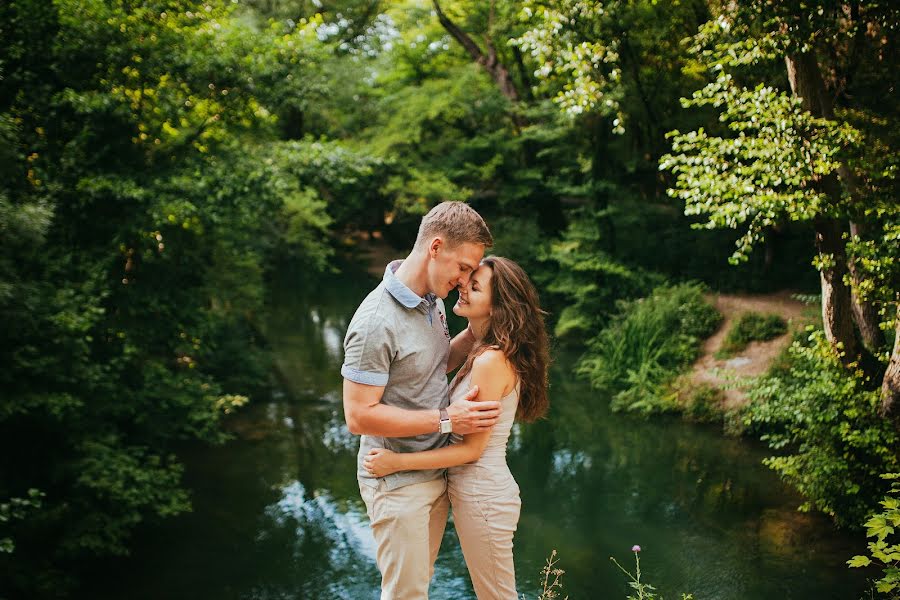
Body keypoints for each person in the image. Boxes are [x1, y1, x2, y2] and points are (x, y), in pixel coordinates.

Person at [341, 201, 502, 600]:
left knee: (419, 585)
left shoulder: (433, 297)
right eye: (463, 267)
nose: (465, 280)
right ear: (435, 247)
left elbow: (430, 365)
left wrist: (482, 328)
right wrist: (448, 420)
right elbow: (358, 416)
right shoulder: (376, 321)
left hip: (432, 470)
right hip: (395, 481)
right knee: (405, 595)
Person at [364, 256, 551, 600]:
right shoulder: (484, 349)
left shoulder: (492, 362)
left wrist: (395, 462)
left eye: (475, 286)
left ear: (498, 308)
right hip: (473, 494)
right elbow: (437, 365)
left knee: (497, 596)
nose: (463, 286)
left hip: (484, 496)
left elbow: (471, 450)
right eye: (467, 280)